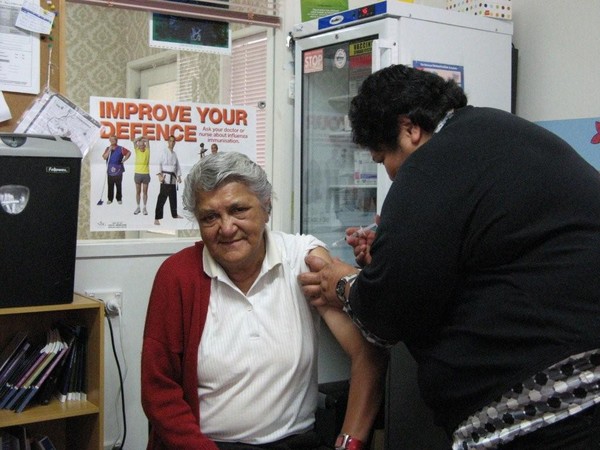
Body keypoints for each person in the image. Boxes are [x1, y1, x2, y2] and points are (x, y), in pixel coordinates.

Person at [298, 64, 600, 450]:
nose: (389, 173)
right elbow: (478, 246)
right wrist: (392, 252)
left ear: (409, 129)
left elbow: (388, 315)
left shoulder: (430, 166)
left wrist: (343, 282)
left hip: (551, 410)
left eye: (382, 158)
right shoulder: (496, 129)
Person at [141, 151, 387, 450]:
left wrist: (349, 444)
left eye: (239, 210)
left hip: (295, 443)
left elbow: (367, 353)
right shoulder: (177, 276)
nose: (227, 227)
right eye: (210, 217)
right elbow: (159, 392)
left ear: (266, 208)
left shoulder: (301, 259)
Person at [154, 135, 183, 225]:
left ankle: (174, 215)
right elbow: (158, 163)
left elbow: (177, 166)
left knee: (173, 198)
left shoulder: (174, 154)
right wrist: (159, 175)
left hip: (173, 179)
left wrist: (179, 176)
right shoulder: (163, 152)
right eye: (170, 141)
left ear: (175, 143)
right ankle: (157, 218)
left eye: (173, 141)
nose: (172, 143)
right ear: (168, 142)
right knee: (162, 198)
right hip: (165, 178)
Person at [101, 135, 130, 205]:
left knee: (118, 185)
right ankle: (110, 199)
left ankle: (119, 198)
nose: (112, 141)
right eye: (110, 140)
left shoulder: (121, 148)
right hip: (110, 170)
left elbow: (129, 153)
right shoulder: (108, 148)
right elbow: (104, 157)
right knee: (110, 185)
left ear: (116, 140)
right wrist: (109, 150)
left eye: (113, 140)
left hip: (119, 170)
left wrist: (124, 160)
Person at [133, 135, 151, 215]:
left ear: (144, 145)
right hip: (137, 174)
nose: (141, 146)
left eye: (142, 145)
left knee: (145, 192)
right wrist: (140, 138)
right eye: (139, 145)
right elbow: (134, 141)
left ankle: (144, 208)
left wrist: (142, 139)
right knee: (138, 192)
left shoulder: (147, 151)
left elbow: (147, 140)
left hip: (146, 174)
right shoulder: (137, 150)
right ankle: (138, 207)